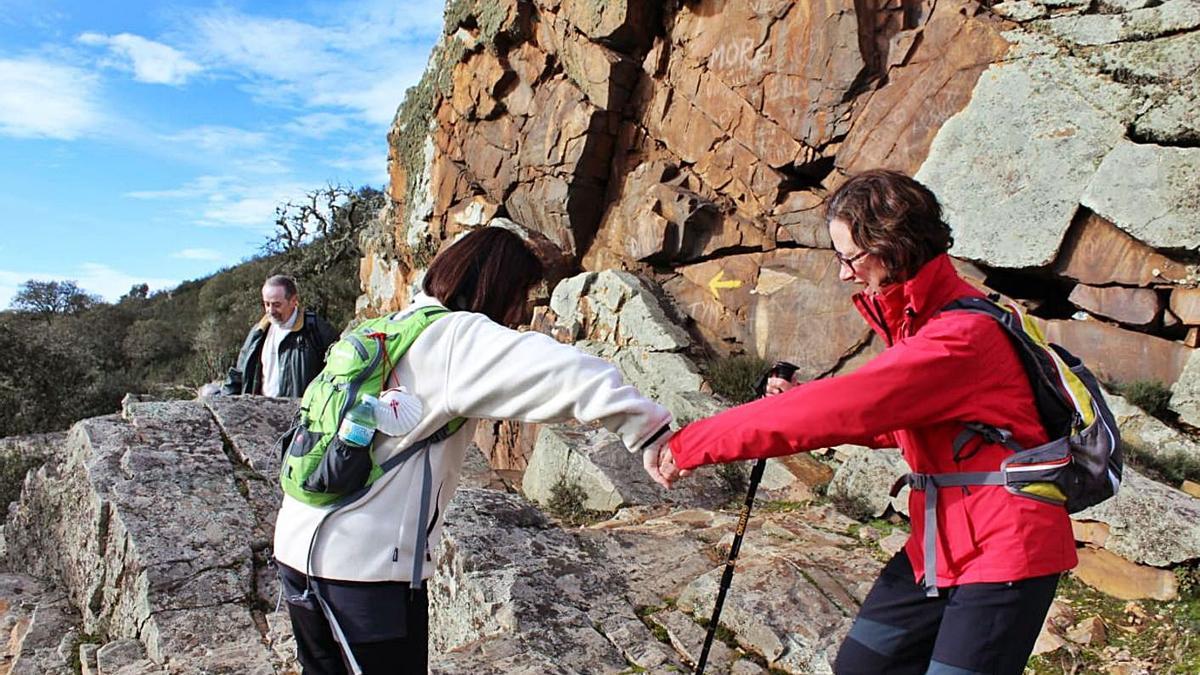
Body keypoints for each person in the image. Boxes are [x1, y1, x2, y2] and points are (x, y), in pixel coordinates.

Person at [657, 170, 1075, 675]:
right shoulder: (929, 319)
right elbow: (896, 419)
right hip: (942, 540)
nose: (844, 274)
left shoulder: (960, 334)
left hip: (1004, 549)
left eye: (850, 257)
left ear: (893, 247)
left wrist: (693, 444)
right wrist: (802, 397)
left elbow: (848, 406)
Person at [272, 227, 675, 674]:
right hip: (362, 574)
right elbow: (564, 371)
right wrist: (648, 429)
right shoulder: (456, 338)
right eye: (521, 294)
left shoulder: (393, 326)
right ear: (497, 286)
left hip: (298, 547)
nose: (522, 312)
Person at [221, 275, 338, 397]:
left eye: (276, 305)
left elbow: (338, 372)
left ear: (293, 301)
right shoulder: (259, 331)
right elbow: (239, 373)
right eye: (266, 304)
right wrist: (222, 402)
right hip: (260, 411)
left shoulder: (315, 329)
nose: (270, 311)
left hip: (302, 412)